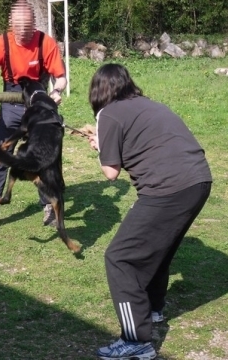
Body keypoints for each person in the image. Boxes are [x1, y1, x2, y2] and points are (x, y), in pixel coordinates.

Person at [88, 63, 212, 360]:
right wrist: (104, 143)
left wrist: (101, 148)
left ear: (98, 91)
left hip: (168, 188)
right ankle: (153, 310)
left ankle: (136, 341)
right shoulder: (148, 104)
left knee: (120, 258)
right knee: (159, 248)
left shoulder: (108, 114)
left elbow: (110, 172)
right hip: (199, 180)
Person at [0, 0, 67, 234]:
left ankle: (49, 205)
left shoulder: (46, 43)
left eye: (27, 32)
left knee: (47, 157)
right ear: (11, 25)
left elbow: (61, 78)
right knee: (1, 155)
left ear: (33, 24)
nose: (23, 38)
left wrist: (56, 92)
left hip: (40, 102)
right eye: (19, 33)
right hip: (11, 99)